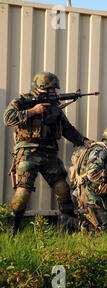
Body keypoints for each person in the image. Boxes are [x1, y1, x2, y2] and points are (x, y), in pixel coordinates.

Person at [3, 71, 94, 235]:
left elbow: (67, 128)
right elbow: (8, 118)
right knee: (23, 191)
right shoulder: (23, 101)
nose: (54, 92)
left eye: (54, 89)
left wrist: (83, 140)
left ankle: (67, 225)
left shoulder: (55, 107)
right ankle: (13, 229)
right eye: (50, 89)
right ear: (40, 88)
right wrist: (33, 111)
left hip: (49, 152)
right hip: (27, 151)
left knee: (62, 188)